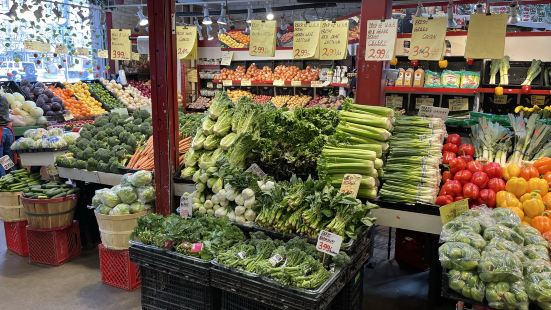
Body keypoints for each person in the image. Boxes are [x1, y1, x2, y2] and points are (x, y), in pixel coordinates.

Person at [0, 94, 14, 176]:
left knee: (1, 159)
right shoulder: (4, 98)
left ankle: (2, 181)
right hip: (7, 131)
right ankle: (12, 177)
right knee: (5, 158)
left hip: (1, 133)